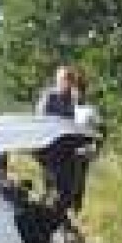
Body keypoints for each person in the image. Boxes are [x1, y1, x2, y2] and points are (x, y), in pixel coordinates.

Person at [34, 65, 91, 213]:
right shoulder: (49, 97)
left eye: (69, 79)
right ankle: (46, 212)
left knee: (68, 185)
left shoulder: (71, 101)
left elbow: (74, 123)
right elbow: (41, 122)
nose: (67, 82)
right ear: (58, 80)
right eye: (64, 79)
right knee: (53, 184)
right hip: (49, 148)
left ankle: (59, 213)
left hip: (65, 149)